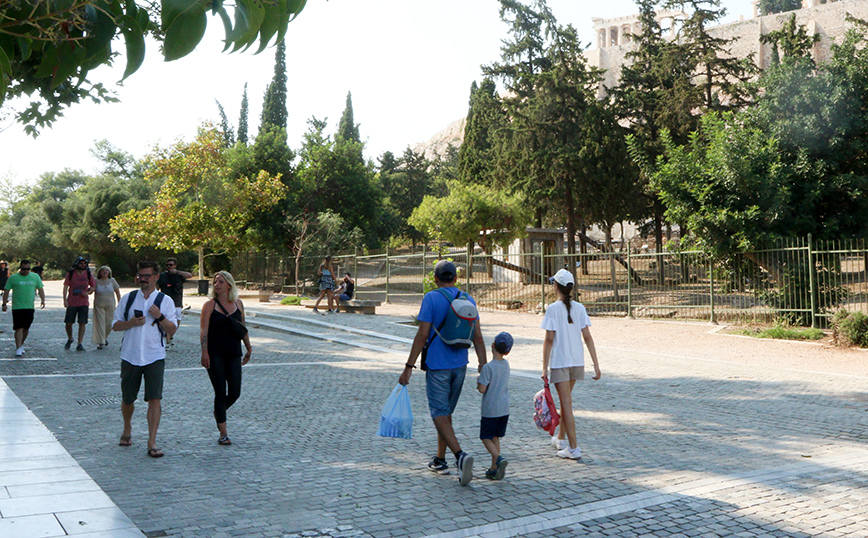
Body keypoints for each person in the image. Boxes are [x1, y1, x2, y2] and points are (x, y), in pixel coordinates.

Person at [399, 260, 487, 487]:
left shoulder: (431, 298)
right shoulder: (468, 299)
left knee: (439, 413)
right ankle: (440, 459)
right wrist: (483, 366)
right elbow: (477, 336)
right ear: (455, 279)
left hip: (438, 364)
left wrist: (409, 367)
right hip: (460, 364)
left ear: (436, 279)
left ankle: (460, 456)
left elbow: (422, 335)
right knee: (446, 415)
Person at [113, 260, 178, 458]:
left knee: (155, 399)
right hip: (130, 355)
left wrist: (159, 317)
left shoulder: (165, 301)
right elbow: (115, 325)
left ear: (156, 277)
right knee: (127, 398)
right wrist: (131, 323)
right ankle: (127, 428)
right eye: (140, 275)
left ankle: (152, 441)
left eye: (146, 275)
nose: (142, 279)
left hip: (154, 356)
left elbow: (172, 329)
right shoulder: (128, 299)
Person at [541, 268, 601, 460]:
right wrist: (596, 364)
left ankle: (574, 447)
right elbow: (588, 337)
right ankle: (560, 438)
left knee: (566, 403)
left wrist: (544, 367)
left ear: (556, 286)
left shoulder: (552, 309)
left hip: (560, 362)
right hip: (576, 361)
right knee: (566, 402)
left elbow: (549, 340)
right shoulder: (580, 308)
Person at [200, 271, 252, 446]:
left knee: (235, 392)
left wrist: (248, 347)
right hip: (215, 354)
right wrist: (204, 352)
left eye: (221, 282)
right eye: (215, 282)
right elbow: (203, 331)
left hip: (234, 353)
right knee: (220, 392)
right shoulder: (209, 306)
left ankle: (219, 411)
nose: (217, 285)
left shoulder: (238, 304)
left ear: (229, 285)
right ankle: (223, 432)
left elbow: (242, 327)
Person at [477, 331, 512, 480]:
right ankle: (494, 468)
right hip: (504, 408)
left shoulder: (488, 368)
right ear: (508, 352)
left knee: (485, 437)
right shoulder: (506, 364)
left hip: (490, 409)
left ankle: (498, 458)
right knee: (495, 437)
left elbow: (482, 389)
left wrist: (479, 380)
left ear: (492, 345)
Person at [2, 260, 45, 357]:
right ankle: (18, 347)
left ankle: (21, 344)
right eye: (24, 269)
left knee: (26, 328)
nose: (26, 271)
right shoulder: (13, 278)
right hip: (17, 307)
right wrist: (4, 303)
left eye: (28, 269)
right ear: (20, 268)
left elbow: (40, 288)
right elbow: (6, 291)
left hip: (29, 306)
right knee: (19, 328)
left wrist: (43, 300)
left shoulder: (35, 277)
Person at [157, 257, 193, 346]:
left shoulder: (179, 275)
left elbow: (189, 275)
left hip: (177, 301)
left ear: (175, 265)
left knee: (177, 319)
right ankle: (167, 339)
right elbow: (156, 287)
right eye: (168, 265)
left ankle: (169, 336)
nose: (169, 267)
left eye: (171, 265)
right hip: (165, 302)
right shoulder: (163, 276)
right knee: (164, 319)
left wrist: (176, 272)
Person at [63, 256, 95, 351]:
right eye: (81, 263)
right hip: (72, 302)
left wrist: (88, 292)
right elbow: (65, 287)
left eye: (84, 264)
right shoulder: (71, 274)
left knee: (82, 323)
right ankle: (70, 338)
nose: (83, 265)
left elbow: (93, 287)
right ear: (77, 263)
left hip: (83, 302)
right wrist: (65, 300)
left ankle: (80, 343)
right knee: (69, 323)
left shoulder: (88, 274)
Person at [92, 266, 121, 349]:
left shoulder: (112, 281)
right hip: (99, 305)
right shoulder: (96, 281)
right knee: (100, 323)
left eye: (107, 270)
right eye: (103, 270)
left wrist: (120, 303)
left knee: (109, 323)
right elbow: (92, 290)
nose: (105, 272)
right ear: (100, 272)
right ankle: (100, 342)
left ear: (109, 272)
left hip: (110, 305)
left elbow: (117, 292)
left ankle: (104, 337)